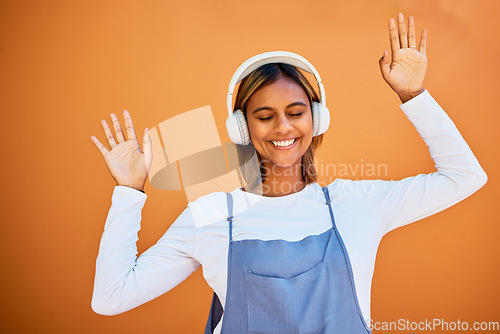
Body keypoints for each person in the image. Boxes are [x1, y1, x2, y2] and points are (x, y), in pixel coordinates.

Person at [90, 13, 487, 334]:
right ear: (241, 129)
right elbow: (111, 297)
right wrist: (129, 192)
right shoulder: (210, 215)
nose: (283, 128)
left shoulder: (356, 204)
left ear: (316, 119)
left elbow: (465, 177)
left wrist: (414, 95)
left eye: (296, 113)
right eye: (264, 117)